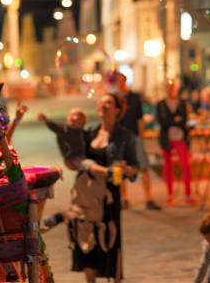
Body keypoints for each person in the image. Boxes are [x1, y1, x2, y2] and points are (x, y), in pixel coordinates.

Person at [72, 93, 138, 283]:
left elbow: (134, 170)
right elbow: (79, 160)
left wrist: (127, 169)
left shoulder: (125, 135)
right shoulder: (90, 131)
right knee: (86, 237)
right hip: (87, 192)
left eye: (108, 102)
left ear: (117, 110)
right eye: (100, 102)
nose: (103, 105)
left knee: (110, 239)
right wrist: (99, 169)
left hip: (109, 196)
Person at [116, 73, 160, 211]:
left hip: (135, 137)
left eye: (123, 81)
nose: (121, 84)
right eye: (118, 81)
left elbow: (139, 118)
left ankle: (149, 198)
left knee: (143, 167)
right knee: (121, 169)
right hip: (121, 138)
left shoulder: (134, 98)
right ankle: (124, 199)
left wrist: (141, 136)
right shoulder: (115, 99)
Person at [156, 80, 196, 206]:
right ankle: (170, 194)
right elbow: (162, 121)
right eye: (169, 87)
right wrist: (175, 120)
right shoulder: (161, 104)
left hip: (180, 137)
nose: (171, 89)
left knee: (186, 165)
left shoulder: (182, 103)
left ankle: (188, 194)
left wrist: (172, 120)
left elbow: (184, 120)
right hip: (166, 138)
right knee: (168, 167)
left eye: (173, 87)